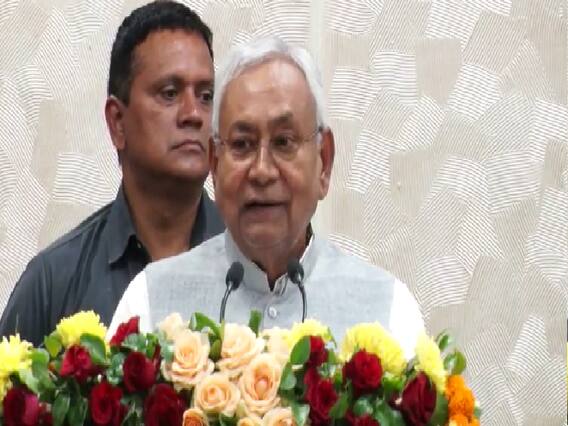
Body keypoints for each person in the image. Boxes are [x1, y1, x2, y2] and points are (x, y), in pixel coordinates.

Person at [109, 36, 423, 356]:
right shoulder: (148, 304)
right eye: (242, 144)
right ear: (215, 165)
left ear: (323, 162)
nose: (261, 171)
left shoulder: (388, 311)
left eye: (284, 142)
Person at [0, 1, 224, 345]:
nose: (194, 114)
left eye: (206, 96)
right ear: (118, 122)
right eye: (170, 93)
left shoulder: (253, 264)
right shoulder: (54, 282)